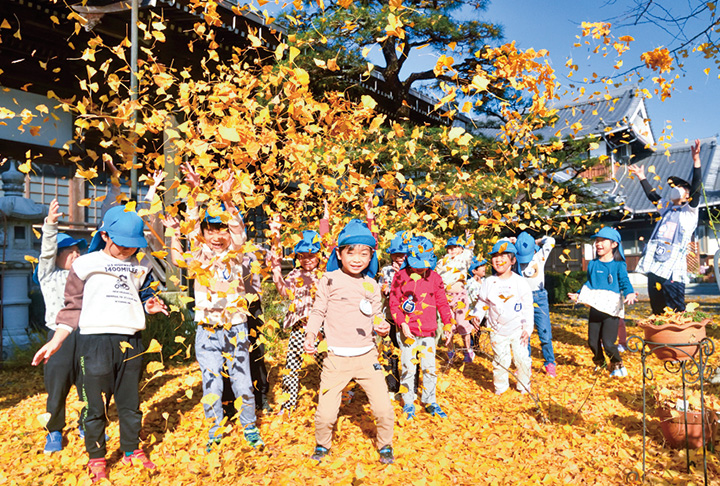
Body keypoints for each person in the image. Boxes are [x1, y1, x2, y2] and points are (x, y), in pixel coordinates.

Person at [32, 205, 168, 483]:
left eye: (134, 245)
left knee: (130, 403)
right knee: (94, 406)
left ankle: (131, 449)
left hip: (132, 340)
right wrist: (56, 341)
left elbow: (143, 295)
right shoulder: (85, 264)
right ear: (105, 235)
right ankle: (96, 458)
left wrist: (150, 304)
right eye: (123, 244)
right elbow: (72, 308)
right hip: (94, 343)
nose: (128, 250)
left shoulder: (141, 265)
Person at [164, 165, 263, 452]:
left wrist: (228, 198)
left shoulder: (237, 255)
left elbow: (239, 231)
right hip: (207, 330)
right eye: (212, 229)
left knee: (243, 382)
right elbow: (182, 249)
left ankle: (249, 427)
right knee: (212, 385)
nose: (217, 235)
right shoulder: (200, 257)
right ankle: (215, 430)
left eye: (222, 229)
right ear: (205, 232)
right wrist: (193, 194)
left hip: (236, 327)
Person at [304, 219, 395, 465]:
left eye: (363, 253)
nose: (357, 258)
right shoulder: (329, 280)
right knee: (325, 414)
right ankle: (323, 444)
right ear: (340, 254)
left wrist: (384, 328)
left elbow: (378, 317)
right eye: (350, 252)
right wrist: (311, 335)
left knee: (384, 409)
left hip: (367, 358)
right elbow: (317, 311)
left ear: (370, 256)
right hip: (335, 359)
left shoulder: (372, 285)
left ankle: (385, 445)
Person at [628, 139, 703, 315]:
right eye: (674, 186)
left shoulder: (689, 212)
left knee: (676, 309)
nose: (675, 188)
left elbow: (697, 189)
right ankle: (660, 340)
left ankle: (680, 339)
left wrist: (696, 161)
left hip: (674, 269)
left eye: (680, 187)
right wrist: (642, 177)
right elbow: (652, 196)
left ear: (687, 194)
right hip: (655, 264)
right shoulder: (667, 208)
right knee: (657, 307)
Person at [36, 199, 88, 454]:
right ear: (58, 255)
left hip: (85, 335)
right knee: (56, 386)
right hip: (57, 338)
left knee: (87, 383)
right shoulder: (48, 275)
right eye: (70, 252)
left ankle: (86, 423)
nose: (76, 255)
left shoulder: (84, 276)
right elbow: (45, 253)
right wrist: (51, 225)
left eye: (79, 251)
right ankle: (54, 430)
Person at [267, 215, 328, 414]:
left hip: (320, 329)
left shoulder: (325, 273)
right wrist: (277, 276)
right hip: (299, 327)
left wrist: (325, 220)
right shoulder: (294, 274)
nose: (307, 259)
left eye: (311, 255)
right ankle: (289, 402)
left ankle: (338, 396)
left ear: (319, 255)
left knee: (328, 364)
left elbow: (326, 241)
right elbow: (285, 293)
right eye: (302, 256)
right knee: (291, 366)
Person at [389, 236, 453, 420]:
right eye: (416, 264)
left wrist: (448, 323)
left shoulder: (434, 277)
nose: (419, 268)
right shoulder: (400, 276)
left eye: (423, 264)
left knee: (429, 367)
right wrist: (402, 323)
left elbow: (442, 302)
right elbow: (394, 303)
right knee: (408, 366)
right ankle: (408, 401)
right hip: (407, 331)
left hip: (428, 331)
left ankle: (430, 400)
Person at [568, 227, 638, 377]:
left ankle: (617, 364)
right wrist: (579, 294)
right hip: (595, 307)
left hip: (611, 309)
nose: (598, 244)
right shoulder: (593, 264)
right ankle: (601, 363)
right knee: (592, 343)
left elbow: (624, 281)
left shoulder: (619, 265)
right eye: (596, 241)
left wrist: (630, 293)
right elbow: (589, 284)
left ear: (614, 244)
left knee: (608, 343)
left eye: (602, 241)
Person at [470, 241, 533, 396]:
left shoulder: (520, 282)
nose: (498, 260)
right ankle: (501, 389)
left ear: (512, 260)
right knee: (500, 361)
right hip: (497, 330)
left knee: (522, 359)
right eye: (495, 256)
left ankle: (524, 387)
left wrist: (528, 328)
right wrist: (477, 316)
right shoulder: (489, 282)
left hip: (518, 330)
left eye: (503, 256)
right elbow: (482, 302)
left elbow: (528, 307)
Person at [514, 232, 558, 378]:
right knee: (523, 333)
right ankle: (526, 364)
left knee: (545, 332)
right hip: (521, 298)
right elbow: (502, 245)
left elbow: (551, 240)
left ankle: (550, 362)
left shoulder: (540, 257)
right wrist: (512, 240)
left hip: (539, 297)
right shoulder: (514, 260)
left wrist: (538, 241)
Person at [378, 230, 411, 393]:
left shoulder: (413, 271)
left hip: (408, 320)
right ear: (392, 255)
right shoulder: (386, 271)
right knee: (390, 352)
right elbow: (379, 289)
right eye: (397, 255)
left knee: (409, 352)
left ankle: (410, 387)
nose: (400, 258)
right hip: (390, 317)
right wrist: (384, 290)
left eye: (403, 255)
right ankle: (392, 385)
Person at [436, 234, 476, 362]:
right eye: (449, 248)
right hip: (447, 297)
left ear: (461, 249)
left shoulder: (463, 259)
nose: (452, 250)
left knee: (462, 322)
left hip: (459, 297)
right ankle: (450, 352)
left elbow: (469, 251)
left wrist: (469, 240)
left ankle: (468, 350)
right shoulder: (443, 261)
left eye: (455, 247)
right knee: (449, 325)